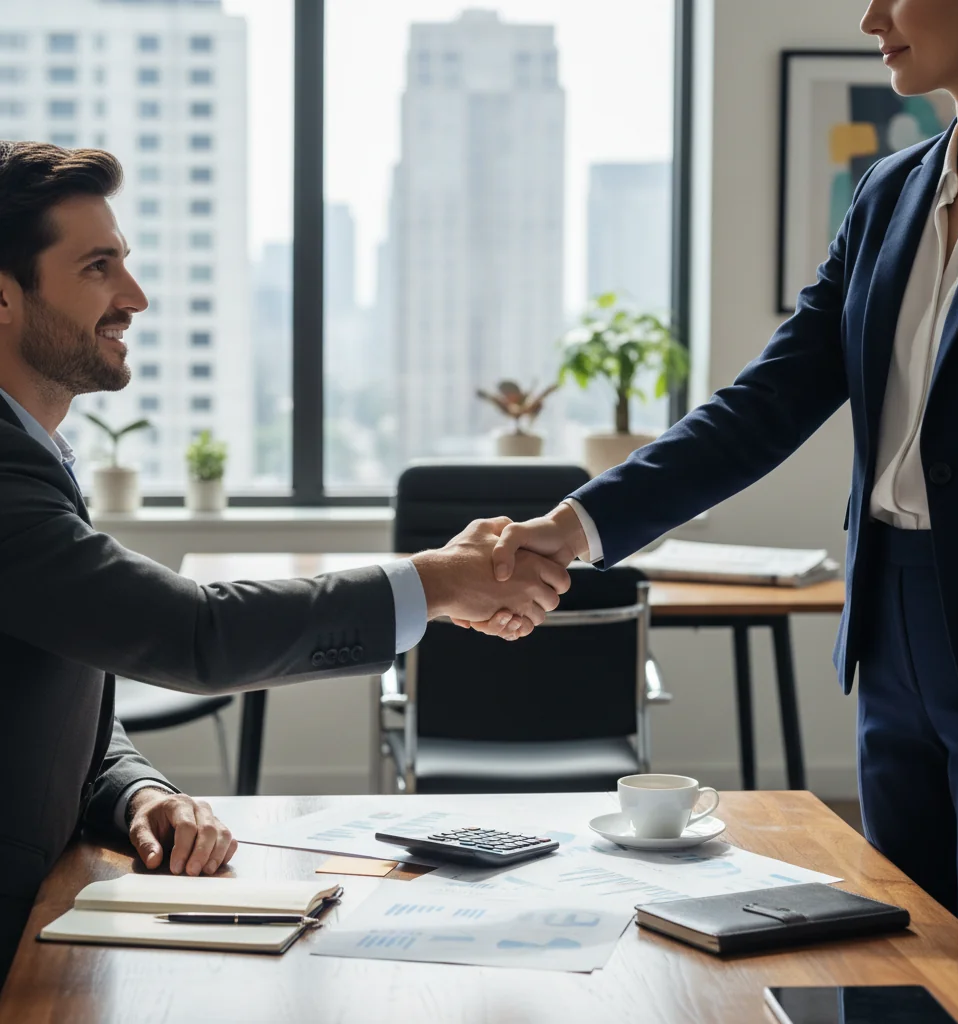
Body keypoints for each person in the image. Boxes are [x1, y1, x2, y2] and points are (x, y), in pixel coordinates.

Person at [478, 0, 958, 971]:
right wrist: (579, 523)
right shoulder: (892, 193)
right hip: (890, 623)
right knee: (895, 945)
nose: (870, 16)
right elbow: (768, 401)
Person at [0, 141, 570, 984]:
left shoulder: (33, 454)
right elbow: (193, 633)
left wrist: (135, 792)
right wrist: (436, 582)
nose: (135, 298)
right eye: (97, 268)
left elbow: (48, 684)